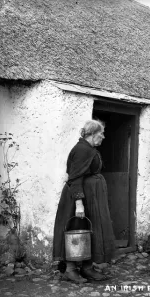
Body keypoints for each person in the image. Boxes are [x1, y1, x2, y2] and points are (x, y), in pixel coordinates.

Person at [53, 119, 115, 283]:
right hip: (79, 198)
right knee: (76, 230)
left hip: (90, 197)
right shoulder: (82, 150)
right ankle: (70, 270)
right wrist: (79, 203)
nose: (103, 137)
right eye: (101, 133)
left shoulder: (88, 148)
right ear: (92, 134)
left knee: (90, 229)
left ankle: (87, 268)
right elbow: (75, 177)